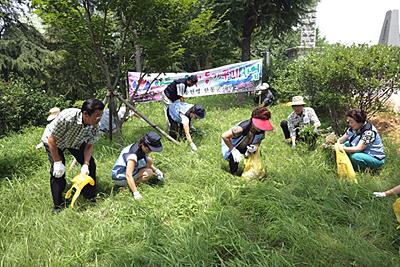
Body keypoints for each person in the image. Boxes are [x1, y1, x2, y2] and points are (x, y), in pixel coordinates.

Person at [41, 99, 105, 213]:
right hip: (55, 141)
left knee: (91, 165)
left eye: (100, 115)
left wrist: (85, 164)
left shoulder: (95, 125)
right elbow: (51, 140)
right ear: (85, 114)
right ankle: (58, 206)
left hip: (75, 142)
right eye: (96, 115)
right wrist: (57, 162)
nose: (99, 118)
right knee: (58, 173)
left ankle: (89, 196)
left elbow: (89, 146)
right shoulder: (67, 117)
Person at [111, 131, 164, 200]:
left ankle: (132, 184)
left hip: (129, 171)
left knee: (149, 160)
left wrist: (157, 171)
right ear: (143, 144)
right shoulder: (132, 156)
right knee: (149, 172)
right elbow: (128, 175)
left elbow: (146, 160)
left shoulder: (140, 146)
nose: (150, 151)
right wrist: (136, 194)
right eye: (149, 149)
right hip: (120, 177)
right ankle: (128, 187)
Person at [221, 107, 273, 175]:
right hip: (235, 145)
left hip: (248, 146)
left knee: (255, 156)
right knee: (234, 159)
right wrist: (233, 150)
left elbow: (258, 141)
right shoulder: (240, 129)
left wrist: (255, 147)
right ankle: (233, 173)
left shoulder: (261, 131)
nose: (260, 128)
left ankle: (251, 172)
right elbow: (224, 136)